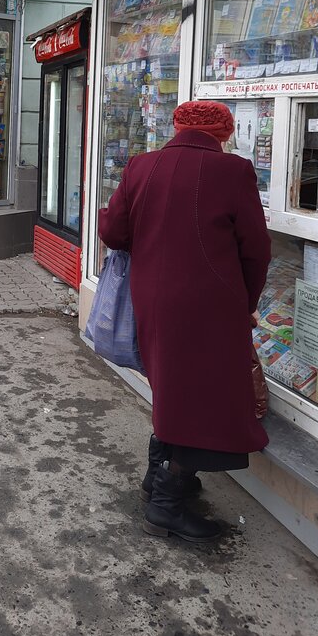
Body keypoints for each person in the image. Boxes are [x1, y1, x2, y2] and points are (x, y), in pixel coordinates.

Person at [98, 101, 271, 544]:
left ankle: (158, 478)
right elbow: (256, 250)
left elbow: (114, 233)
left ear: (176, 128)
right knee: (205, 400)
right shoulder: (234, 171)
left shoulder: (141, 165)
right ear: (225, 132)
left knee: (172, 387)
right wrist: (245, 304)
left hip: (151, 299)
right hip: (209, 306)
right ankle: (166, 507)